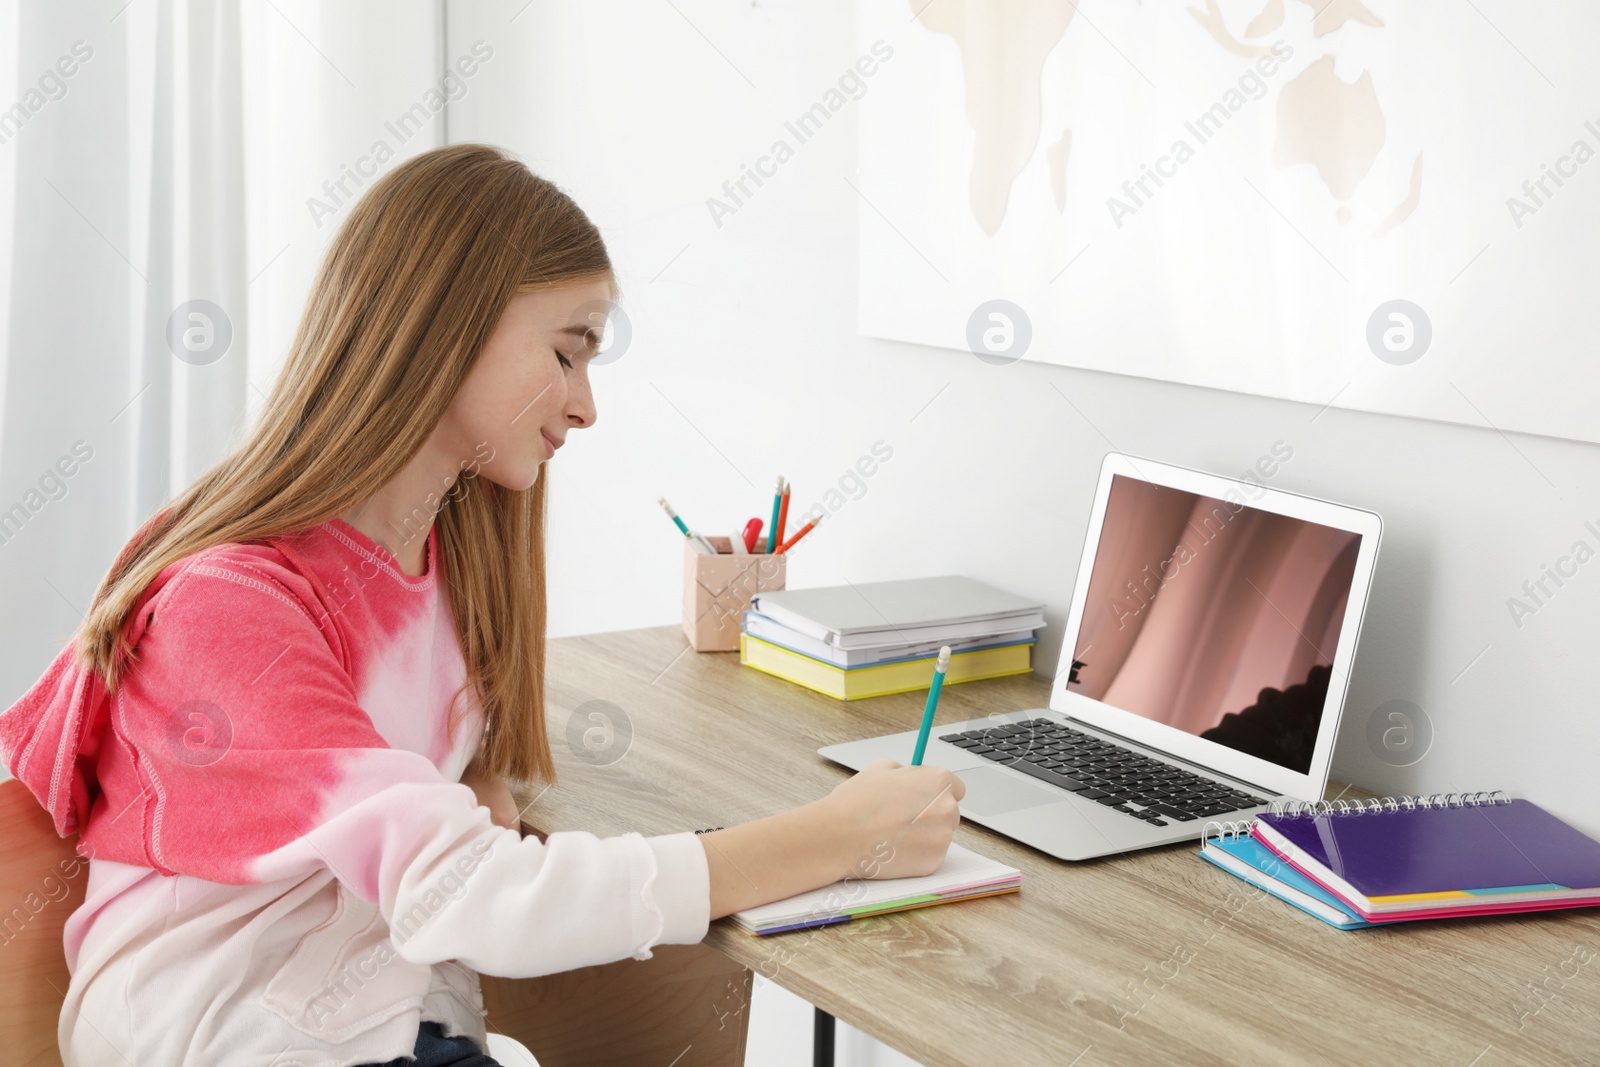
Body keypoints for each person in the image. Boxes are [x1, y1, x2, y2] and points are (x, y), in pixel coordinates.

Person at [0, 143, 964, 1067]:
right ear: (445, 324)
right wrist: (838, 836)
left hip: (381, 1019)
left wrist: (457, 795)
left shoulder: (440, 561)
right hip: (229, 1036)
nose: (586, 406)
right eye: (567, 351)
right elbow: (474, 895)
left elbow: (429, 833)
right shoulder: (230, 608)